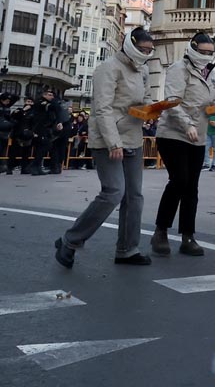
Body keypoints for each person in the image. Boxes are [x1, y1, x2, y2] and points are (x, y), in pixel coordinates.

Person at [55, 28, 156, 269]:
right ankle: (70, 240)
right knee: (114, 191)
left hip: (132, 136)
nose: (146, 54)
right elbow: (102, 108)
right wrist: (113, 142)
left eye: (150, 51)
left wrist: (153, 110)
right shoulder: (108, 68)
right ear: (130, 45)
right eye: (143, 50)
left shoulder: (143, 70)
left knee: (135, 197)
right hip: (108, 139)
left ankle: (127, 249)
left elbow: (147, 98)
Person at [152, 33, 215, 257]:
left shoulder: (210, 73)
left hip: (197, 136)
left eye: (210, 53)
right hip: (173, 133)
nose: (207, 56)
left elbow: (212, 102)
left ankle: (188, 236)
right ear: (192, 48)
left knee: (192, 186)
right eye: (203, 52)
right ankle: (161, 231)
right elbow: (172, 101)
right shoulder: (178, 69)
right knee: (179, 180)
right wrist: (187, 124)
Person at [29, 87, 68, 175]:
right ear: (44, 95)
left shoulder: (48, 103)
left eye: (52, 95)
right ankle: (34, 165)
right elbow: (55, 107)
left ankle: (37, 166)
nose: (51, 97)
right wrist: (55, 100)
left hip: (46, 128)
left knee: (42, 148)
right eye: (49, 95)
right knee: (44, 146)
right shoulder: (41, 102)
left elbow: (57, 110)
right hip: (39, 128)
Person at [7, 98, 35, 174]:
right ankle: (10, 168)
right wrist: (24, 110)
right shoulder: (19, 110)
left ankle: (24, 168)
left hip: (28, 135)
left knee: (26, 153)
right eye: (28, 101)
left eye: (31, 102)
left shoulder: (33, 112)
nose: (29, 103)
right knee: (13, 152)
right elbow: (13, 117)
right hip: (17, 134)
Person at [0, 93, 16, 172]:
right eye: (7, 100)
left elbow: (16, 97)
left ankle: (2, 165)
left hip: (5, 131)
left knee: (4, 149)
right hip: (1, 128)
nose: (8, 102)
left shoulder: (7, 107)